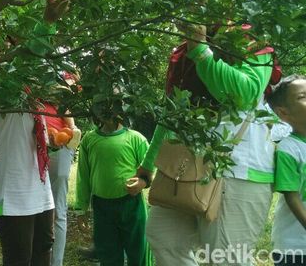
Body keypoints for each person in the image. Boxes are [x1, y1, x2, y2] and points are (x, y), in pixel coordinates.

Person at [138, 23, 277, 266]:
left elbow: (244, 94)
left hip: (238, 171)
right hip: (187, 168)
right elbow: (172, 113)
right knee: (164, 236)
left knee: (226, 259)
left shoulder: (253, 42)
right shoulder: (183, 55)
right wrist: (147, 166)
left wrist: (200, 49)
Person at [75, 98, 153, 266]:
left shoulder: (135, 139)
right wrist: (81, 209)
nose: (107, 110)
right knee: (108, 253)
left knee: (138, 251)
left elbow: (150, 173)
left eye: (113, 106)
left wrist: (142, 182)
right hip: (102, 207)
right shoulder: (89, 140)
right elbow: (83, 176)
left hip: (131, 205)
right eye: (102, 106)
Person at [0, 111, 55, 266]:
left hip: (40, 186)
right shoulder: (4, 97)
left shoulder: (34, 102)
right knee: (18, 258)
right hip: (11, 191)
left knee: (44, 249)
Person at [266, 74, 306, 265]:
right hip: (295, 248)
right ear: (284, 113)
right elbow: (292, 196)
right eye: (302, 96)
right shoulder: (289, 148)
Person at [42, 98, 81, 266]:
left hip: (59, 144)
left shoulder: (54, 79)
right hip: (31, 147)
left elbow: (63, 101)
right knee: (35, 210)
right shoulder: (23, 84)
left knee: (58, 210)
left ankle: (55, 263)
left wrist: (72, 129)